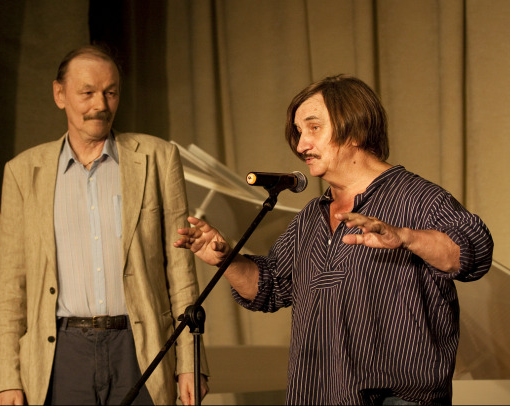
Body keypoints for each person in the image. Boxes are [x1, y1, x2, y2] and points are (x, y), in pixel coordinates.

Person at [174, 75, 493, 405]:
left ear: (354, 129)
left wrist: (405, 236)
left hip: (397, 399)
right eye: (299, 132)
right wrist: (226, 259)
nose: (301, 145)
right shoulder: (310, 218)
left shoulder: (418, 198)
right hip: (318, 395)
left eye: (313, 128)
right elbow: (267, 288)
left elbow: (472, 253)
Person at [0, 44, 209, 405]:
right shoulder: (23, 172)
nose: (101, 105)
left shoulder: (158, 158)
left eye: (110, 92)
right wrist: (6, 378)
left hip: (141, 348)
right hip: (62, 353)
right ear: (60, 94)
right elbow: (11, 285)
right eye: (87, 92)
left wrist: (191, 362)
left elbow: (181, 272)